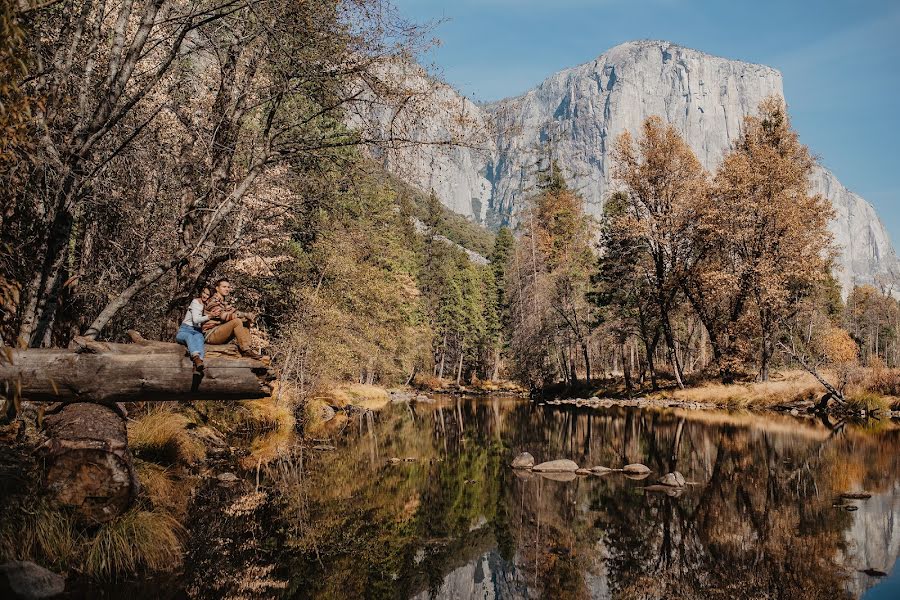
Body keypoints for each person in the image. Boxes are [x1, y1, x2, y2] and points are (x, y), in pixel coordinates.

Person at [202, 278, 263, 360]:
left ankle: (248, 349)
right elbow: (224, 316)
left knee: (244, 321)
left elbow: (235, 312)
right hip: (210, 334)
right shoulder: (213, 301)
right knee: (237, 321)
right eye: (224, 287)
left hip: (219, 332)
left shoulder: (224, 302)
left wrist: (247, 316)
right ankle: (245, 349)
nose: (227, 289)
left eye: (228, 287)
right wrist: (243, 315)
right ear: (217, 288)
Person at [176, 287, 211, 372]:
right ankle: (196, 358)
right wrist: (209, 317)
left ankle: (198, 366)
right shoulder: (195, 302)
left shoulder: (207, 306)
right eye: (204, 293)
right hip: (185, 330)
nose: (205, 296)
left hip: (197, 331)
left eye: (207, 295)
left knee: (200, 339)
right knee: (189, 337)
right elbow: (195, 320)